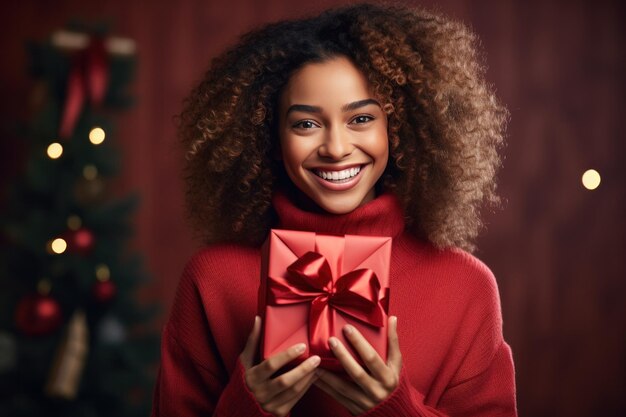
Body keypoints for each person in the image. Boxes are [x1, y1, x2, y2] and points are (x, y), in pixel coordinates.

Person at [151, 3, 517, 416]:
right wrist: (247, 407)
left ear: (399, 128)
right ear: (269, 136)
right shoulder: (212, 279)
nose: (336, 148)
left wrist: (397, 409)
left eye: (360, 118)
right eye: (306, 124)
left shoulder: (465, 285)